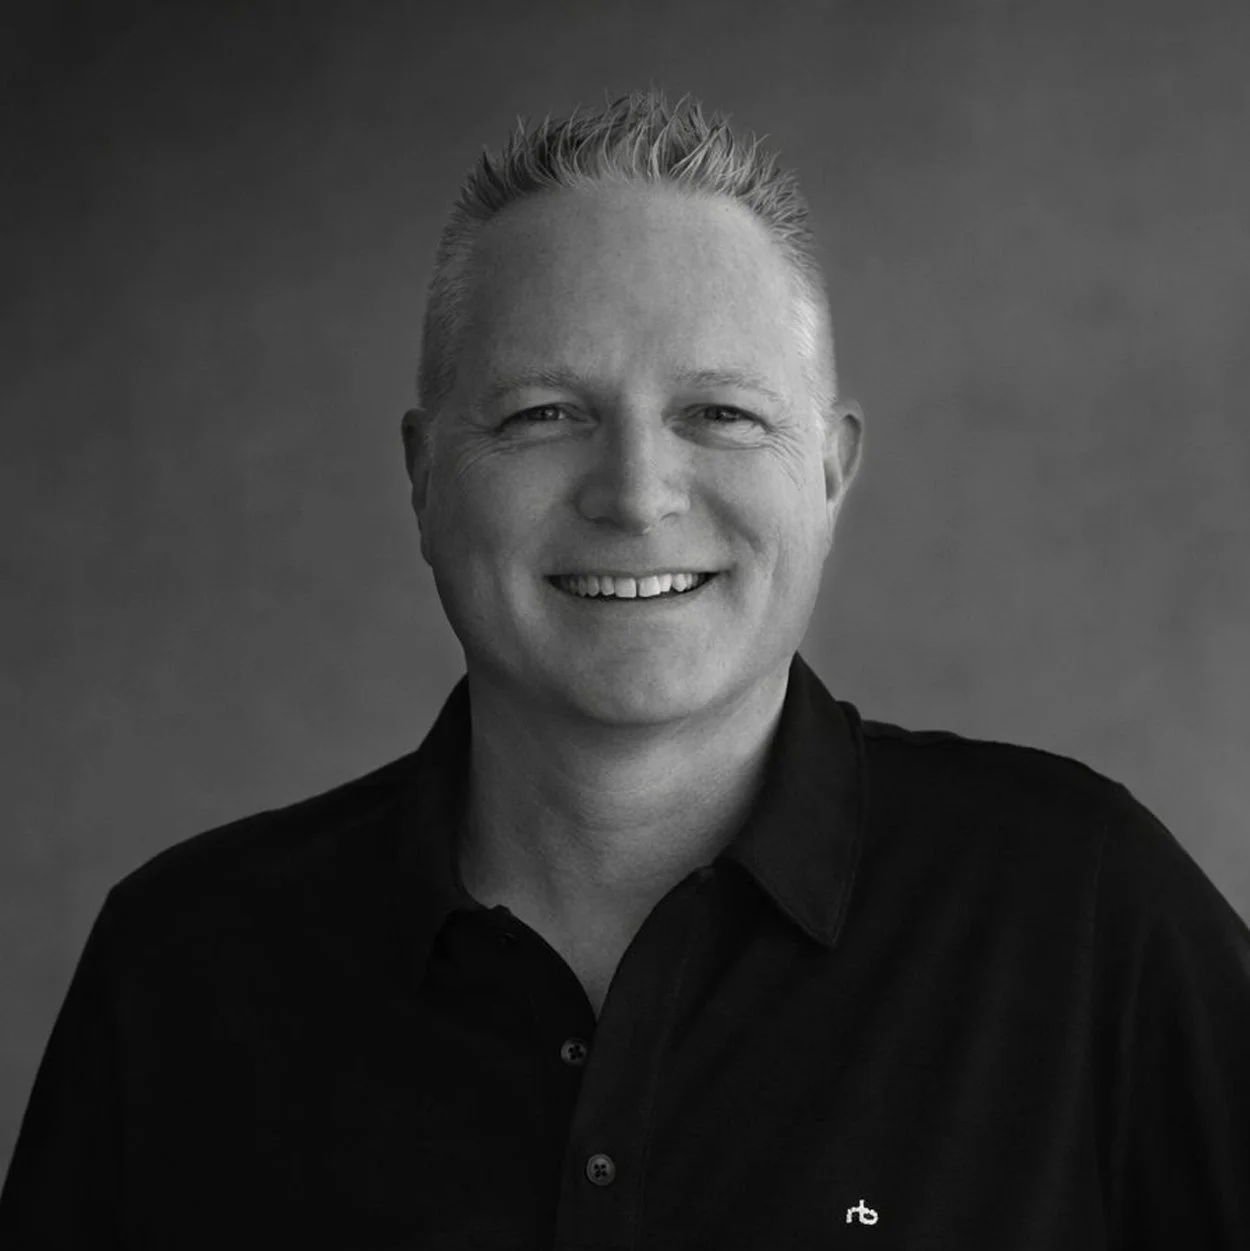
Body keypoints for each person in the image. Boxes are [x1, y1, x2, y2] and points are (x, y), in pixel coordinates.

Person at [2, 89, 1247, 1250]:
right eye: (543, 413)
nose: (636, 494)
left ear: (828, 474)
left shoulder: (1083, 917)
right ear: (424, 475)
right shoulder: (187, 972)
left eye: (720, 413)